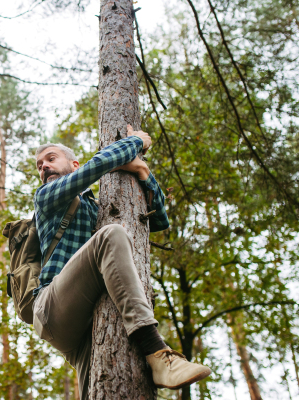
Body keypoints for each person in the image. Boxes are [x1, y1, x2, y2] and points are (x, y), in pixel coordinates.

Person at [32, 125, 211, 399]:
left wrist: (143, 172)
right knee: (111, 235)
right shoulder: (45, 197)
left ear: (73, 163)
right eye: (39, 164)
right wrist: (136, 141)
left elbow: (159, 220)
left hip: (85, 324)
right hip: (52, 307)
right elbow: (99, 165)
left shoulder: (95, 208)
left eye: (51, 158)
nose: (44, 166)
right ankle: (158, 353)